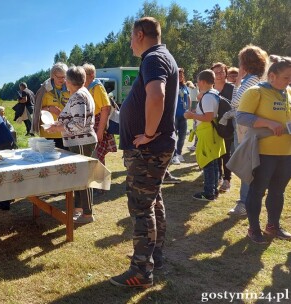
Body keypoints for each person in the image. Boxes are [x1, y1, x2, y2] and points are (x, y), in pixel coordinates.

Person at [109, 17, 178, 288]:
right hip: (154, 149)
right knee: (153, 203)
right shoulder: (160, 56)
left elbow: (157, 95)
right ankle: (153, 257)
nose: (129, 42)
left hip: (148, 150)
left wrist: (148, 133)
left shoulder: (153, 58)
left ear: (139, 34)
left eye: (130, 36)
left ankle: (141, 270)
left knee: (141, 208)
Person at [236, 55, 291, 243]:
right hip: (263, 152)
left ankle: (273, 226)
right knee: (257, 190)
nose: (289, 81)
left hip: (286, 153)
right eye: (286, 77)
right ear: (272, 76)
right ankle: (254, 228)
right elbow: (242, 117)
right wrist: (267, 123)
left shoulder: (289, 92)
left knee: (278, 192)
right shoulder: (255, 92)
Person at [45, 66, 97, 224]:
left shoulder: (78, 96)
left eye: (65, 79)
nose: (64, 82)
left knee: (84, 178)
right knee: (80, 177)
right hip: (79, 141)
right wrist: (56, 124)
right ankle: (79, 210)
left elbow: (79, 124)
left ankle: (87, 214)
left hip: (81, 141)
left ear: (70, 81)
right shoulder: (79, 94)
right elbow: (74, 118)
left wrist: (59, 127)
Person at [227, 45, 269, 216]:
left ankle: (244, 203)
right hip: (252, 125)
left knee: (246, 164)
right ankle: (250, 200)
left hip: (246, 127)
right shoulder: (260, 78)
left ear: (245, 62)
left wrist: (237, 81)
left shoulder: (251, 79)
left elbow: (235, 102)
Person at [184, 70, 226, 201]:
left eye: (198, 82)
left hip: (207, 132)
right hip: (213, 133)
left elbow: (208, 117)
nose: (197, 85)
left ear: (202, 81)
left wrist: (191, 116)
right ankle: (213, 190)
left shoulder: (208, 97)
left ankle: (209, 192)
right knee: (213, 162)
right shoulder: (214, 93)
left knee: (207, 162)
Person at [82, 63, 117, 165]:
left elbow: (105, 109)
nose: (82, 79)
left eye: (84, 76)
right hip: (91, 126)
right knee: (92, 155)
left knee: (97, 156)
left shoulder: (96, 87)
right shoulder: (87, 88)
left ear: (92, 75)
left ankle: (99, 178)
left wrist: (100, 131)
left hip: (98, 126)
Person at [32, 62, 70, 150]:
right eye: (59, 77)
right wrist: (49, 108)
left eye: (64, 77)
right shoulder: (44, 90)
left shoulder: (70, 88)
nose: (62, 79)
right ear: (52, 76)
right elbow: (37, 111)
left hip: (65, 132)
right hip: (49, 133)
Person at [210, 62, 235, 193]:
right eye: (216, 72)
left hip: (228, 125)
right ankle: (218, 176)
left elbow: (236, 106)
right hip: (212, 124)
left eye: (221, 72)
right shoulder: (210, 88)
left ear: (226, 73)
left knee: (226, 152)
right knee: (215, 152)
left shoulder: (232, 88)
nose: (218, 75)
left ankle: (227, 179)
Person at [171, 68, 190, 165]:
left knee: (182, 136)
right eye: (179, 75)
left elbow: (188, 98)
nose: (181, 77)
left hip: (184, 115)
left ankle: (179, 153)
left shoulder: (184, 86)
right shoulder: (171, 86)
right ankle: (173, 156)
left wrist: (189, 110)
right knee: (174, 136)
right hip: (174, 115)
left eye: (182, 75)